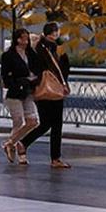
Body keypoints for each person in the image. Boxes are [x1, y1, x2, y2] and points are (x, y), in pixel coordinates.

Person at [19, 21, 72, 168]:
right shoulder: (49, 48)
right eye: (57, 32)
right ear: (54, 33)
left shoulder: (38, 47)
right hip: (51, 88)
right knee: (55, 124)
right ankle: (55, 158)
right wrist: (64, 83)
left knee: (46, 123)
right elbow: (60, 68)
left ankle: (23, 144)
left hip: (41, 89)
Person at [0, 27, 39, 166]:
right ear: (17, 39)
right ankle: (16, 149)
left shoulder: (30, 53)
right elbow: (5, 75)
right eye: (23, 38)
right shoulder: (8, 55)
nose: (26, 41)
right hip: (15, 92)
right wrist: (17, 83)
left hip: (28, 90)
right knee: (18, 121)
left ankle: (10, 142)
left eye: (27, 38)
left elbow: (37, 66)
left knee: (32, 121)